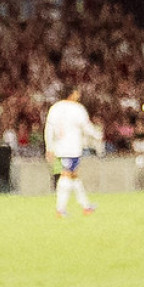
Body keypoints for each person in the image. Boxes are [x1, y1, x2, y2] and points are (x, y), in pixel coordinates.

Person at [43, 88, 100, 216]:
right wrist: (97, 135)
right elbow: (86, 126)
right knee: (66, 176)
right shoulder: (77, 108)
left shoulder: (55, 108)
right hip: (71, 148)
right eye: (76, 92)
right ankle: (60, 209)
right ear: (71, 94)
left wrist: (49, 147)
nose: (78, 95)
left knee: (73, 175)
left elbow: (48, 129)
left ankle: (86, 206)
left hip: (60, 147)